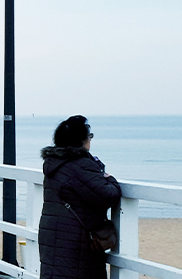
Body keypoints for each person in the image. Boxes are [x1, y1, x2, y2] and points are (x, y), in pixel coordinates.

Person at [39, 115, 120, 279]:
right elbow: (108, 195)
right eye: (89, 136)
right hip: (75, 241)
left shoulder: (54, 163)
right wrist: (109, 178)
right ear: (81, 140)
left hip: (54, 236)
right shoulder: (80, 165)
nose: (90, 140)